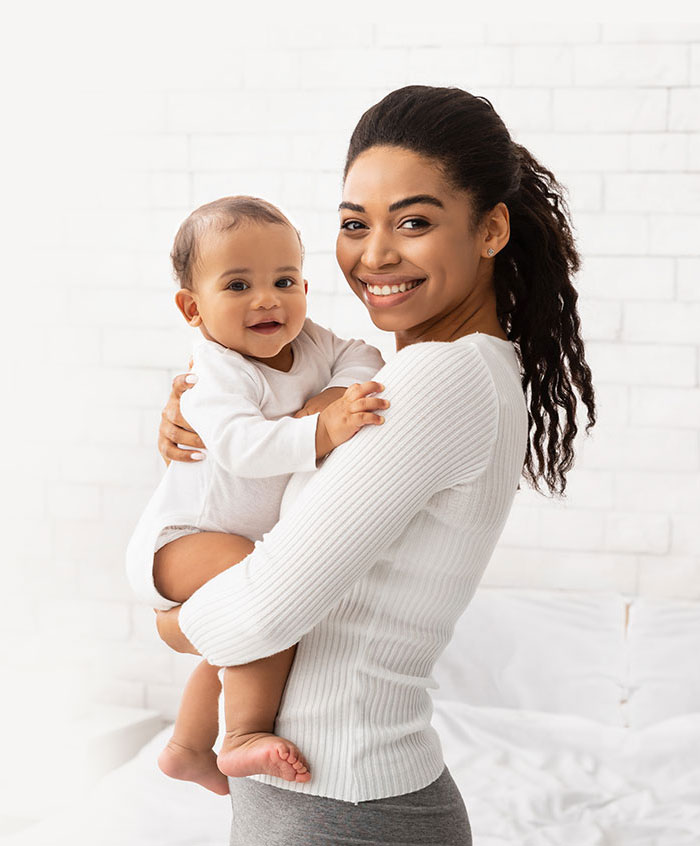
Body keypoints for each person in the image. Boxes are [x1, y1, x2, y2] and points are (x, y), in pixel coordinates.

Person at [153, 85, 597, 845]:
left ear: (490, 230)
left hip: (343, 804)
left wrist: (168, 620)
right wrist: (217, 410)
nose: (375, 254)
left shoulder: (438, 380)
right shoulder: (440, 375)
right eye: (355, 224)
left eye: (414, 222)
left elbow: (262, 612)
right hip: (338, 793)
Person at [126, 195, 387, 796]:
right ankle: (242, 734)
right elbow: (245, 449)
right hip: (181, 538)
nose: (268, 298)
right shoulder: (214, 372)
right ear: (194, 308)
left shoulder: (313, 343)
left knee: (237, 635)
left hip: (227, 539)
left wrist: (329, 397)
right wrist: (321, 427)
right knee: (265, 596)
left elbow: (365, 356)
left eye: (285, 280)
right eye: (238, 284)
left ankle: (189, 748)